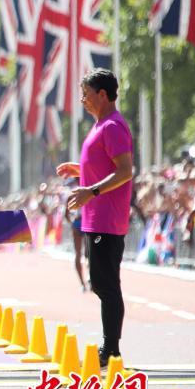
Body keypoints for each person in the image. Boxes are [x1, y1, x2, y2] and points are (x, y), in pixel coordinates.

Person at [57, 68, 133, 367]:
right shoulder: (101, 126)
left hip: (107, 217)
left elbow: (125, 171)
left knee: (106, 284)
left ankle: (111, 348)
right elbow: (104, 163)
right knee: (100, 282)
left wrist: (91, 190)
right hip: (94, 217)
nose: (82, 100)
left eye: (86, 94)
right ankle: (109, 345)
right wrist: (80, 169)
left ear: (103, 94)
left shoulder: (112, 126)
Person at [64, 198, 87, 292]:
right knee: (86, 254)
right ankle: (85, 282)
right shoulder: (91, 189)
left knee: (80, 254)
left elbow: (66, 214)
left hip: (79, 223)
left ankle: (83, 283)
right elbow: (66, 213)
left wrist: (72, 223)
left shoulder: (72, 194)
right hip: (85, 223)